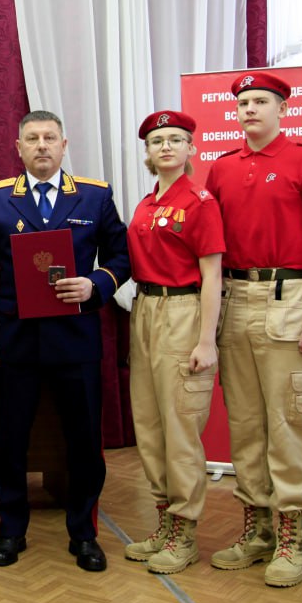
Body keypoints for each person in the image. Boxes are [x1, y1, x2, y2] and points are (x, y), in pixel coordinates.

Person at [0, 110, 130, 572]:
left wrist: (96, 284)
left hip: (76, 339)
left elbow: (121, 255)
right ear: (18, 148)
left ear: (64, 144)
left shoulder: (95, 197)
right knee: (10, 440)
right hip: (15, 340)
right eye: (32, 138)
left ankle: (84, 533)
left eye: (49, 138)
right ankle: (11, 530)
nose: (41, 145)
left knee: (83, 441)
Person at [205, 71, 302, 588]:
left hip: (289, 298)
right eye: (242, 103)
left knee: (287, 422)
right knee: (245, 423)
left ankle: (292, 537)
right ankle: (257, 528)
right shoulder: (221, 169)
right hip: (235, 300)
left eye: (261, 101)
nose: (250, 110)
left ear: (283, 108)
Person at [123, 111, 225, 575]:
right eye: (157, 141)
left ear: (191, 149)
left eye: (176, 139)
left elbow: (212, 276)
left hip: (183, 311)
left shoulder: (200, 201)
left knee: (181, 428)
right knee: (149, 423)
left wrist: (207, 340)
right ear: (147, 152)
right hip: (144, 309)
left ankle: (185, 532)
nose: (166, 147)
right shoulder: (147, 203)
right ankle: (164, 521)